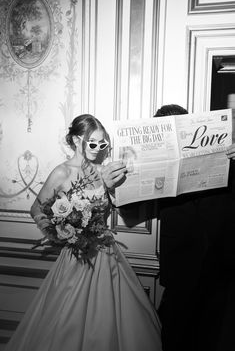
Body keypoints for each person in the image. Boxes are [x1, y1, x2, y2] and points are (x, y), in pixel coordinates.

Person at [4, 114, 162, 351]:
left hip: (107, 254)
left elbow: (119, 205)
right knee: (67, 321)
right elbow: (37, 208)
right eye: (93, 143)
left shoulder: (103, 171)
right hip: (77, 258)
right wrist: (59, 234)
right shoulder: (61, 173)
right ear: (77, 140)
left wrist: (114, 187)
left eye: (102, 144)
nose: (98, 149)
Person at [153, 105, 235, 351]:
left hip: (220, 259)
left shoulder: (222, 153)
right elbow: (130, 204)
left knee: (212, 332)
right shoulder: (156, 159)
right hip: (180, 259)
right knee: (174, 331)